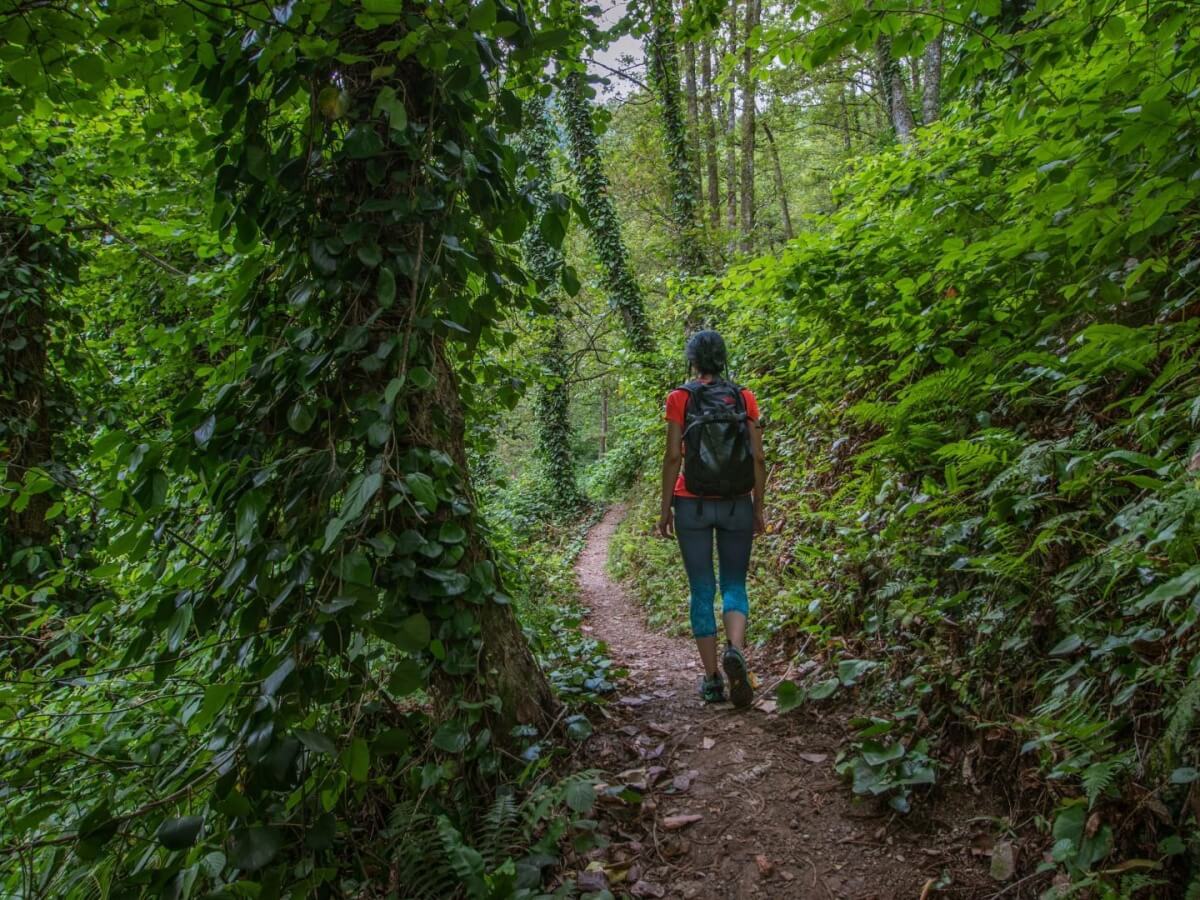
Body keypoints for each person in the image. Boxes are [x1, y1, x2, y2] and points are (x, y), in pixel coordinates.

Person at [656, 330, 766, 708]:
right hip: (738, 502)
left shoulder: (679, 398)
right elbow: (758, 458)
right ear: (722, 359)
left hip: (693, 505)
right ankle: (735, 650)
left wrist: (664, 507)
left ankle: (712, 680)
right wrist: (760, 507)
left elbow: (673, 456)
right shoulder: (744, 396)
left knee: (702, 589)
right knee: (735, 583)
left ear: (692, 360)